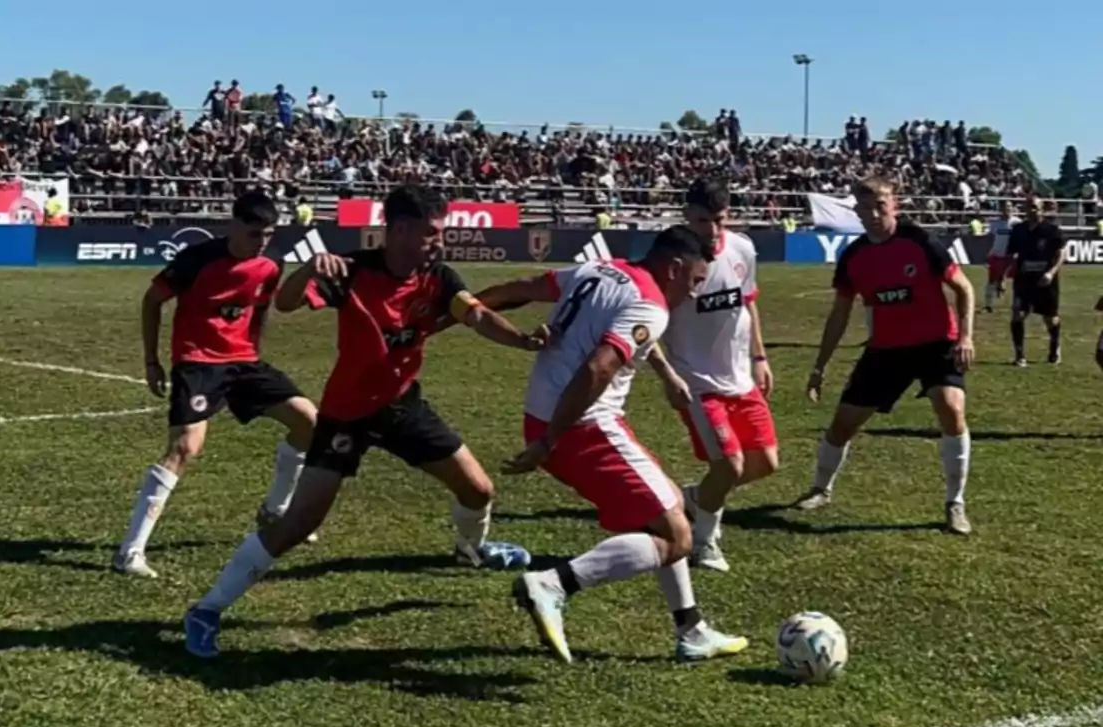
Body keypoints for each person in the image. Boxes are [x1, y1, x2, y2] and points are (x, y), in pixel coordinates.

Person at [183, 185, 546, 658]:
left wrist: (521, 342)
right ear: (398, 230)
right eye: (431, 233)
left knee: (478, 490)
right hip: (346, 417)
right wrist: (310, 269)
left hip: (401, 405)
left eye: (442, 232)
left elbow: (474, 315)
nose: (439, 241)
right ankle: (207, 610)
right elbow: (288, 303)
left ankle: (470, 548)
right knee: (297, 524)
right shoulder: (351, 271)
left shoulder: (438, 276)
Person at [477, 225, 749, 665]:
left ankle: (691, 629)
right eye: (696, 281)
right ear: (675, 268)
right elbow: (598, 369)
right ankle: (553, 584)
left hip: (551, 417)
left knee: (668, 507)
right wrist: (550, 441)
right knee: (678, 536)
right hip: (580, 425)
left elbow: (525, 287)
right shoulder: (651, 305)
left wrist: (468, 307)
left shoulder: (598, 269)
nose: (696, 293)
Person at [115, 191, 317, 579]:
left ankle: (275, 510)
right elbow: (152, 300)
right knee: (185, 448)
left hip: (242, 362)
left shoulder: (270, 266)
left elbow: (259, 310)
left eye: (269, 234)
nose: (261, 242)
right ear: (234, 225)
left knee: (310, 422)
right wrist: (152, 361)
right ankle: (130, 551)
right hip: (198, 363)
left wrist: (253, 350)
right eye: (254, 233)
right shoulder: (197, 259)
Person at [796, 177, 976, 536]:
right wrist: (820, 365)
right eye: (867, 208)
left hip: (937, 343)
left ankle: (955, 503)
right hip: (886, 349)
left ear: (895, 205)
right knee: (843, 424)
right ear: (857, 212)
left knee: (952, 408)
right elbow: (839, 314)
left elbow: (964, 288)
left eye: (882, 205)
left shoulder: (921, 241)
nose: (875, 214)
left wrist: (966, 337)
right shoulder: (853, 257)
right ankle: (820, 489)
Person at [645, 180, 777, 573]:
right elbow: (645, 320)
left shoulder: (743, 249)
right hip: (697, 383)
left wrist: (759, 356)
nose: (713, 230)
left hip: (741, 377)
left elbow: (747, 305)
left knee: (765, 463)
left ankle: (696, 497)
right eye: (704, 220)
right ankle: (704, 542)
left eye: (720, 220)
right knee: (730, 466)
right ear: (687, 215)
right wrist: (668, 375)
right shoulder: (671, 260)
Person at [1007, 198, 1065, 366]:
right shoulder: (1018, 230)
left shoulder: (1052, 230)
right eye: (1028, 207)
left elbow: (1061, 254)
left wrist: (1051, 273)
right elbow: (1012, 255)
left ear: (1042, 209)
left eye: (1035, 207)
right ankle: (1020, 356)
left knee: (1051, 319)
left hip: (1046, 281)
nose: (1032, 210)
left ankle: (1054, 348)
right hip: (1024, 280)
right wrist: (1002, 277)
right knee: (1018, 315)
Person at [983, 201, 1019, 312]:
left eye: (1009, 206)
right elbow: (990, 238)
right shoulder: (995, 223)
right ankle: (988, 305)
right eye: (1004, 207)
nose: (1007, 209)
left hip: (1011, 256)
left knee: (1017, 281)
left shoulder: (1017, 223)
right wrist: (988, 253)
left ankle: (1017, 304)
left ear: (1012, 208)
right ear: (1001, 209)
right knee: (991, 280)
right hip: (997, 255)